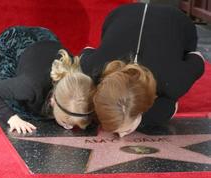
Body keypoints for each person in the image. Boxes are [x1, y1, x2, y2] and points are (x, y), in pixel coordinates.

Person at [80, 3, 205, 137]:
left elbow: (196, 58)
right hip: (121, 13)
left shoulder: (173, 82)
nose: (121, 136)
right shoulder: (92, 67)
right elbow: (87, 51)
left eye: (127, 130)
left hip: (177, 19)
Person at [0, 26, 95, 135]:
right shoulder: (30, 87)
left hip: (46, 42)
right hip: (17, 42)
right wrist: (11, 118)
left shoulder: (83, 82)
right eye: (67, 122)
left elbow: (89, 50)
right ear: (53, 101)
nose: (69, 127)